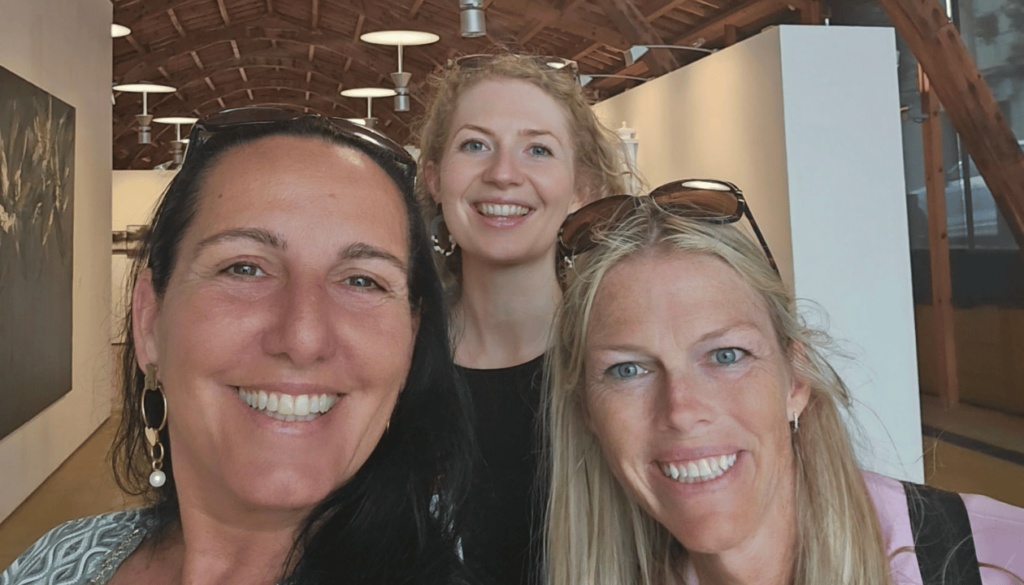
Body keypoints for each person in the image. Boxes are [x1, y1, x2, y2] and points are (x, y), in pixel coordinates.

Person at [1, 109, 474, 585]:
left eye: (361, 280)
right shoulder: (54, 561)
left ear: (411, 342)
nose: (303, 338)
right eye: (244, 268)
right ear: (148, 321)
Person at [543, 179, 1024, 585]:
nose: (682, 411)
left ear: (795, 380)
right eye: (628, 369)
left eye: (726, 355)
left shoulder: (997, 560)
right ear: (586, 408)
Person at [414, 52, 631, 585]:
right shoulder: (394, 355)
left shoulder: (625, 361)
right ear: (435, 178)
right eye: (475, 145)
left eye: (537, 149)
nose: (503, 174)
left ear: (582, 188)